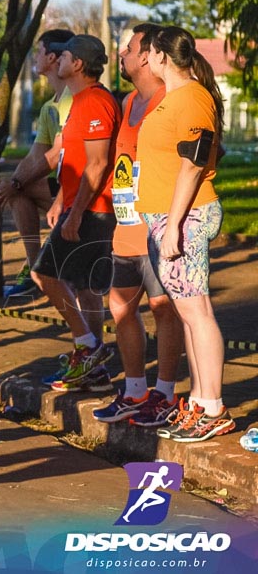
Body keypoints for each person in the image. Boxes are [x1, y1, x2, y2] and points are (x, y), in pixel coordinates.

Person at [137, 25, 234, 442]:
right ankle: (199, 401)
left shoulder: (193, 97)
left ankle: (213, 406)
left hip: (187, 216)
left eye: (147, 51)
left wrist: (174, 225)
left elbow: (193, 164)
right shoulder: (176, 97)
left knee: (198, 313)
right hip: (171, 217)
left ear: (160, 55)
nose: (143, 58)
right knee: (189, 314)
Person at [92, 24, 184, 428]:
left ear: (147, 56)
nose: (122, 54)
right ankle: (134, 390)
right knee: (120, 306)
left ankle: (164, 392)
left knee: (163, 306)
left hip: (159, 222)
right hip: (126, 223)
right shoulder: (128, 101)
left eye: (128, 48)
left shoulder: (173, 100)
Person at [30, 34, 119, 390]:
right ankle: (92, 368)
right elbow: (72, 159)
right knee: (85, 287)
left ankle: (87, 345)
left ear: (77, 63)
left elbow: (97, 165)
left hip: (94, 210)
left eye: (63, 55)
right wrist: (60, 201)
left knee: (44, 275)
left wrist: (77, 212)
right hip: (78, 206)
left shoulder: (95, 101)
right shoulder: (80, 101)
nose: (57, 60)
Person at [0, 29, 75, 297]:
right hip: (62, 188)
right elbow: (36, 155)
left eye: (38, 52)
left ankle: (37, 266)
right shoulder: (50, 104)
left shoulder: (72, 99)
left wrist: (14, 183)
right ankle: (37, 265)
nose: (35, 57)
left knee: (18, 188)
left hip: (80, 191)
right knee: (16, 191)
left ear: (52, 57)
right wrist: (10, 184)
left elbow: (58, 154)